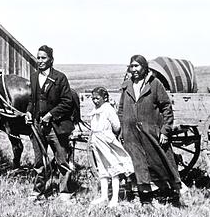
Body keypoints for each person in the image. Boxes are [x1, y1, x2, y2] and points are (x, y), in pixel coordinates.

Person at [117, 55, 183, 207]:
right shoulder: (127, 86)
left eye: (137, 66)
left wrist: (165, 131)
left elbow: (166, 107)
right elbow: (121, 109)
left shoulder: (154, 84)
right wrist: (122, 129)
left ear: (144, 67)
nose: (134, 69)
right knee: (138, 164)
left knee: (159, 162)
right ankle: (145, 198)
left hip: (151, 132)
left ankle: (168, 195)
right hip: (131, 134)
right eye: (132, 66)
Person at [28, 44, 80, 200]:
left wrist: (51, 114)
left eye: (43, 58)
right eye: (38, 57)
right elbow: (32, 100)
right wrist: (29, 112)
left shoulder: (60, 77)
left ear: (51, 59)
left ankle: (64, 192)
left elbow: (67, 101)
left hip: (56, 126)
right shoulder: (34, 76)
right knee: (39, 161)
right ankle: (38, 191)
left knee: (61, 160)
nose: (40, 61)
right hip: (37, 126)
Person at [87, 87, 133, 207]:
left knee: (113, 168)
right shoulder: (96, 109)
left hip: (106, 140)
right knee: (102, 168)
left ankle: (115, 198)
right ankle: (104, 196)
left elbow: (116, 126)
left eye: (97, 98)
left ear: (105, 98)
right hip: (97, 141)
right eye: (93, 98)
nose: (95, 101)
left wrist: (109, 134)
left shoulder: (108, 109)